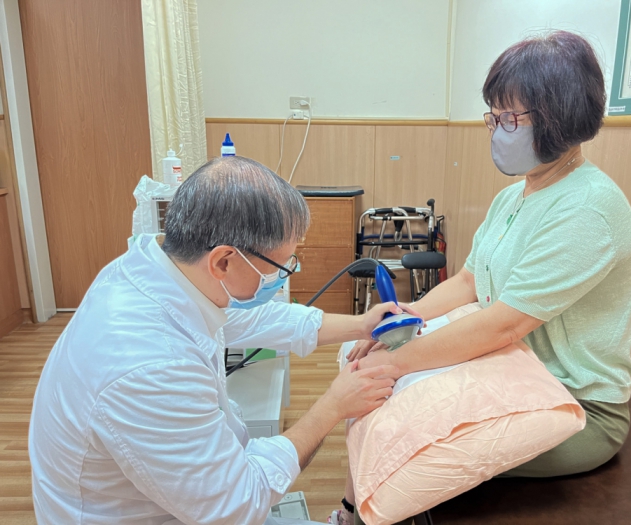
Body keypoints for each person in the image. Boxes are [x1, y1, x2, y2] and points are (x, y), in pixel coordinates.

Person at [342, 31, 631, 524]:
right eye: (494, 116)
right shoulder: (514, 196)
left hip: (572, 403)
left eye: (509, 118)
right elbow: (468, 281)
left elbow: (503, 324)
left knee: (395, 430)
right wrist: (399, 318)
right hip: (509, 371)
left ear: (559, 118)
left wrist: (394, 363)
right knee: (373, 394)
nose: (497, 131)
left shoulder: (588, 210)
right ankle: (348, 512)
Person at [29, 156, 414, 525]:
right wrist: (333, 406)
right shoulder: (152, 365)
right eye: (280, 266)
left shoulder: (159, 273)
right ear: (223, 261)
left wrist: (362, 325)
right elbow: (237, 508)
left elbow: (257, 318)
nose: (285, 275)